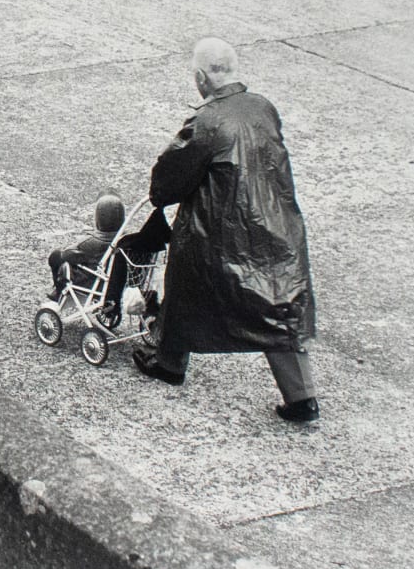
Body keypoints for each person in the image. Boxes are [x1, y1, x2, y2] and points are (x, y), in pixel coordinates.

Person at [132, 37, 319, 423]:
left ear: (201, 78)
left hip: (224, 234)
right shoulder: (264, 108)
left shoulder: (206, 121)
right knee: (278, 306)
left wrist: (159, 195)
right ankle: (301, 397)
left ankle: (168, 362)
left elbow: (169, 179)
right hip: (276, 224)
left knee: (185, 271)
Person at [46, 190, 125, 301]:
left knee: (56, 256)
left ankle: (59, 292)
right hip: (120, 288)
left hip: (96, 287)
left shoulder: (91, 243)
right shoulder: (128, 241)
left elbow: (66, 255)